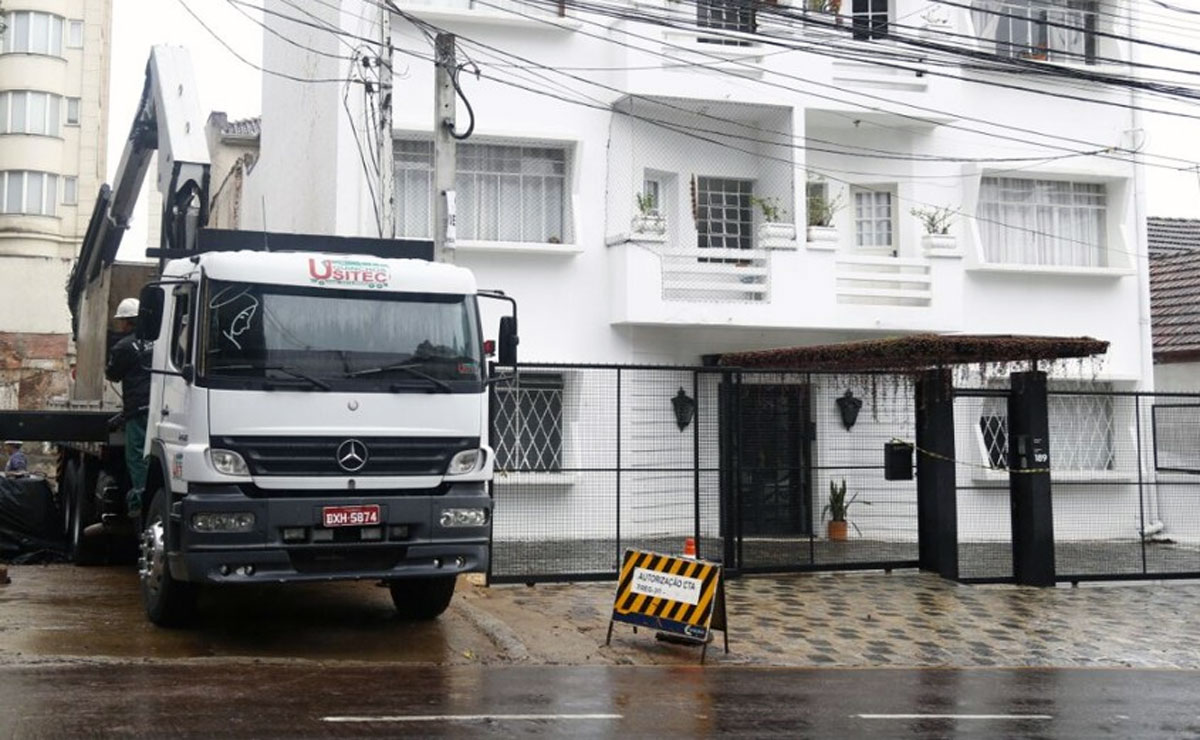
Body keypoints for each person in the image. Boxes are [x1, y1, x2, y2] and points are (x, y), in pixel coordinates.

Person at [105, 297, 152, 519]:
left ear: (126, 322)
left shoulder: (123, 346)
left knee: (137, 457)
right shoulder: (160, 340)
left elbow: (113, 374)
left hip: (138, 409)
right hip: (162, 407)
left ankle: (139, 503)